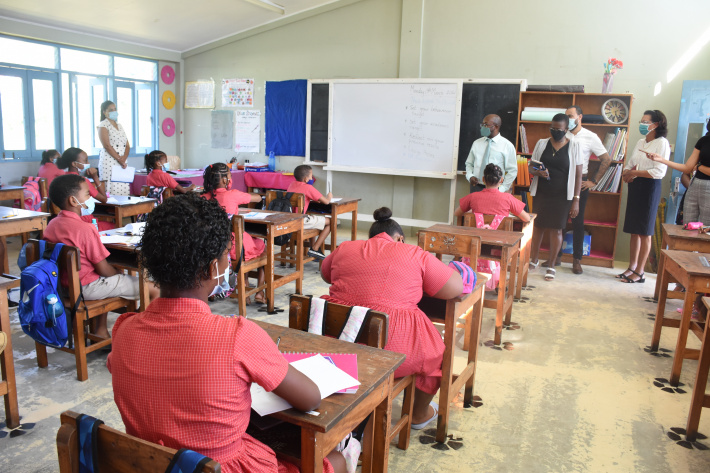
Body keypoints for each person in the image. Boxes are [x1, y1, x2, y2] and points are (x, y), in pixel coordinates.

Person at [107, 194, 347, 473]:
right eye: (225, 257)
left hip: (149, 464)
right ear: (212, 268)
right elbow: (310, 399)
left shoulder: (124, 330)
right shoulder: (237, 335)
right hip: (222, 467)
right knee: (337, 460)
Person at [321, 207, 463, 430]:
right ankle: (418, 414)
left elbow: (326, 273)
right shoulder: (415, 253)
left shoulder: (346, 247)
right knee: (436, 355)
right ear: (400, 238)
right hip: (392, 351)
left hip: (336, 342)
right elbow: (455, 288)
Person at [44, 175, 159, 339]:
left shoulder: (52, 225)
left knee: (103, 277)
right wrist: (118, 273)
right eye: (87, 194)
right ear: (73, 200)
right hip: (86, 289)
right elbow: (104, 270)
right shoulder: (84, 229)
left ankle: (100, 331)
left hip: (61, 286)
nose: (91, 198)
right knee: (155, 288)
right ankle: (138, 336)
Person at [550, 106, 613, 274]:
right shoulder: (562, 133)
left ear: (580, 117)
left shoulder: (591, 136)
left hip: (581, 181)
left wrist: (593, 181)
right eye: (566, 116)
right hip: (562, 180)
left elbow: (606, 159)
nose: (568, 119)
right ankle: (556, 257)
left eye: (571, 116)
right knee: (559, 220)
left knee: (577, 221)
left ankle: (577, 260)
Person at [528, 114, 583, 282]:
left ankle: (552, 265)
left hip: (562, 195)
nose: (555, 131)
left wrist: (576, 199)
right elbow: (531, 167)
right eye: (552, 128)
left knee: (557, 229)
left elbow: (579, 175)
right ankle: (534, 260)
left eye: (559, 129)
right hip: (542, 192)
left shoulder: (574, 145)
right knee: (537, 227)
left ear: (566, 129)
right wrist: (538, 172)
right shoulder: (541, 143)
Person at [202, 163, 266, 304]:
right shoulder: (234, 195)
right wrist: (259, 197)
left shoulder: (203, 198)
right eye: (230, 177)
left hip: (212, 248)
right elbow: (256, 198)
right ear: (225, 180)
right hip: (233, 248)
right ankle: (260, 292)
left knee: (245, 247)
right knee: (261, 246)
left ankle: (245, 286)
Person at [618, 110, 670, 283]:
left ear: (656, 125)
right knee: (634, 231)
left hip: (649, 188)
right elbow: (632, 162)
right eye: (642, 121)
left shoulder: (662, 143)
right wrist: (627, 172)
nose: (642, 124)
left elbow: (658, 171)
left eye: (645, 122)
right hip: (636, 186)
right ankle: (631, 267)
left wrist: (635, 173)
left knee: (644, 232)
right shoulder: (641, 141)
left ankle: (640, 272)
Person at [645, 118, 710, 225]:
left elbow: (696, 167)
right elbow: (687, 168)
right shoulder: (704, 140)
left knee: (706, 228)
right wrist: (662, 160)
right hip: (695, 185)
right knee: (687, 225)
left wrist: (699, 167)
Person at [56, 147, 115, 231]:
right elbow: (104, 199)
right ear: (74, 164)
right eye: (85, 160)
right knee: (116, 225)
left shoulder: (61, 178)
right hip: (85, 220)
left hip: (67, 220)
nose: (88, 163)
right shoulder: (82, 181)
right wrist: (95, 177)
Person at [454, 163, 531, 222]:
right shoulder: (508, 198)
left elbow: (457, 213)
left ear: (483, 179)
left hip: (477, 239)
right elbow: (527, 218)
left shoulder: (472, 197)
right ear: (501, 180)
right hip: (500, 241)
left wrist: (473, 211)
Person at [286, 165, 331, 260]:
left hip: (289, 219)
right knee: (331, 222)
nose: (311, 178)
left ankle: (313, 251)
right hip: (300, 221)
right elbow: (326, 202)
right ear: (306, 179)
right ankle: (315, 248)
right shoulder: (308, 187)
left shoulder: (291, 184)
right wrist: (329, 196)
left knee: (311, 217)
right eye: (311, 176)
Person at [464, 114, 517, 193]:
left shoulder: (507, 146)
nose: (483, 127)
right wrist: (470, 176)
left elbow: (512, 170)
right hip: (476, 186)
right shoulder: (477, 143)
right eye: (482, 124)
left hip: (495, 188)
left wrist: (502, 188)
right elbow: (469, 164)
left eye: (486, 125)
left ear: (496, 126)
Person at [97, 100, 131, 196]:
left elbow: (127, 145)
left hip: (122, 161)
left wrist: (123, 158)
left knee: (122, 186)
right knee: (111, 187)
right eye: (111, 110)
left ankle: (123, 209)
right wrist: (119, 159)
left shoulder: (120, 126)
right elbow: (107, 145)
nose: (114, 111)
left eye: (115, 109)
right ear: (104, 112)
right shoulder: (103, 125)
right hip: (110, 161)